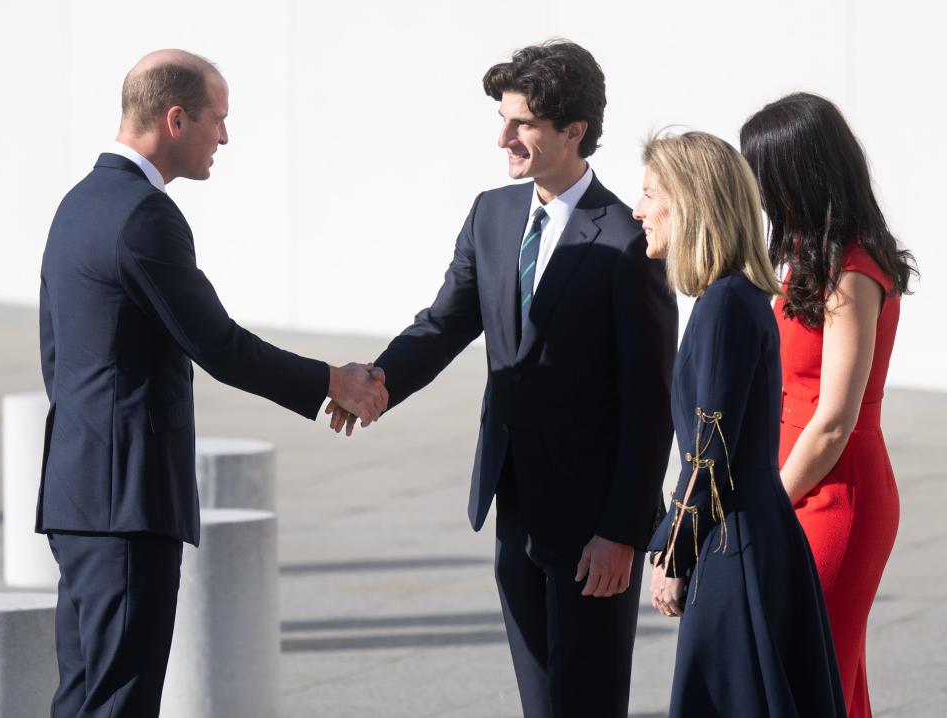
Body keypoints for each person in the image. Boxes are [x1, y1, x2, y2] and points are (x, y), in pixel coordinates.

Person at [328, 40, 677, 717]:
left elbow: (649, 398)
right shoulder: (492, 215)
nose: (502, 138)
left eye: (520, 123)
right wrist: (376, 382)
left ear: (573, 131)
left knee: (588, 703)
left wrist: (623, 530)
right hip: (513, 507)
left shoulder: (628, 241)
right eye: (502, 118)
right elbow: (442, 324)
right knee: (540, 701)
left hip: (593, 526)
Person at [38, 49, 387, 717]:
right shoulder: (143, 216)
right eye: (217, 120)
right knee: (119, 702)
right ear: (175, 119)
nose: (223, 137)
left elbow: (56, 359)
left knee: (83, 698)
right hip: (128, 505)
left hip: (78, 497)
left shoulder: (77, 204)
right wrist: (331, 381)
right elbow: (218, 345)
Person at [640, 130, 847, 717]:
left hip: (734, 540)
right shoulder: (732, 297)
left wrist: (674, 556)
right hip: (748, 529)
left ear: (689, 204)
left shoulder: (725, 303)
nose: (638, 210)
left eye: (651, 194)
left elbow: (710, 448)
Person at [740, 93, 917, 718]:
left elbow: (835, 419)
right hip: (802, 482)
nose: (758, 191)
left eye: (764, 174)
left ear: (801, 175)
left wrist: (767, 506)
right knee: (832, 685)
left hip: (833, 493)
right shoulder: (811, 262)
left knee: (809, 687)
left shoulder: (851, 272)